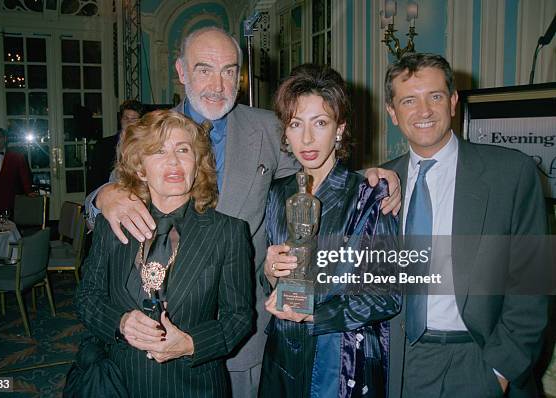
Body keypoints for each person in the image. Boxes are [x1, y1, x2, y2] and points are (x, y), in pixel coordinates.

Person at [85, 27, 402, 397]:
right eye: (204, 69)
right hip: (152, 331)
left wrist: (372, 176)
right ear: (181, 71)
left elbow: (315, 161)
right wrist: (102, 196)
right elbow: (116, 191)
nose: (218, 85)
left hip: (242, 329)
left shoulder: (267, 127)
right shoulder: (148, 131)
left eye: (230, 71)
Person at [382, 53, 549, 398]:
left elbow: (533, 284)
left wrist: (499, 372)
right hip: (397, 364)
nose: (424, 111)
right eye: (409, 100)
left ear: (454, 101)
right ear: (392, 113)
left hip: (477, 360)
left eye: (436, 97)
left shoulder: (510, 174)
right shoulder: (376, 185)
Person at [74, 109, 254, 397]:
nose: (173, 161)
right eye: (158, 151)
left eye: (183, 150)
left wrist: (191, 343)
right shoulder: (114, 224)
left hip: (194, 385)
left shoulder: (228, 232)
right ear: (140, 168)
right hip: (120, 382)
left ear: (197, 163)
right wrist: (120, 322)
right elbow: (86, 298)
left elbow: (239, 317)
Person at [259, 64, 401, 398]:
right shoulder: (276, 193)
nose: (306, 139)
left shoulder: (367, 193)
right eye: (296, 124)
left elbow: (388, 295)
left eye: (320, 123)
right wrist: (270, 271)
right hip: (282, 354)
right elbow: (269, 278)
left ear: (339, 129)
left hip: (339, 361)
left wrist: (316, 315)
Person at [86, 99, 143, 193]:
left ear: (140, 122)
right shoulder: (103, 145)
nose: (129, 122)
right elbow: (94, 180)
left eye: (134, 119)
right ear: (121, 120)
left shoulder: (145, 146)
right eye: (126, 118)